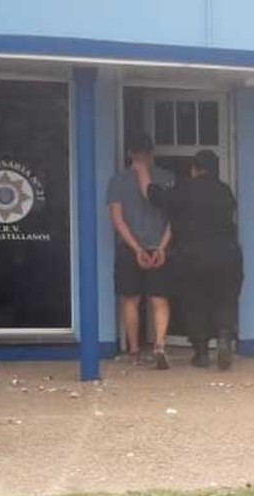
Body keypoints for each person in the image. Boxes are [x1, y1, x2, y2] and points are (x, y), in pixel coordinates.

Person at [144, 150, 243, 370]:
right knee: (225, 299)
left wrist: (144, 176)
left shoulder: (185, 188)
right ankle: (224, 336)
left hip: (193, 256)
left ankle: (201, 353)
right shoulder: (225, 191)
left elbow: (158, 198)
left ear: (194, 168)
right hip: (227, 255)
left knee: (195, 302)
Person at [107, 132, 175, 370]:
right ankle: (159, 345)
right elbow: (175, 219)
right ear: (151, 152)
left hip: (129, 248)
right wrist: (162, 247)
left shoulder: (117, 181)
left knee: (130, 299)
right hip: (159, 245)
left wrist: (136, 248)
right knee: (159, 299)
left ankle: (134, 351)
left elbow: (117, 219)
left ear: (129, 153)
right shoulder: (168, 178)